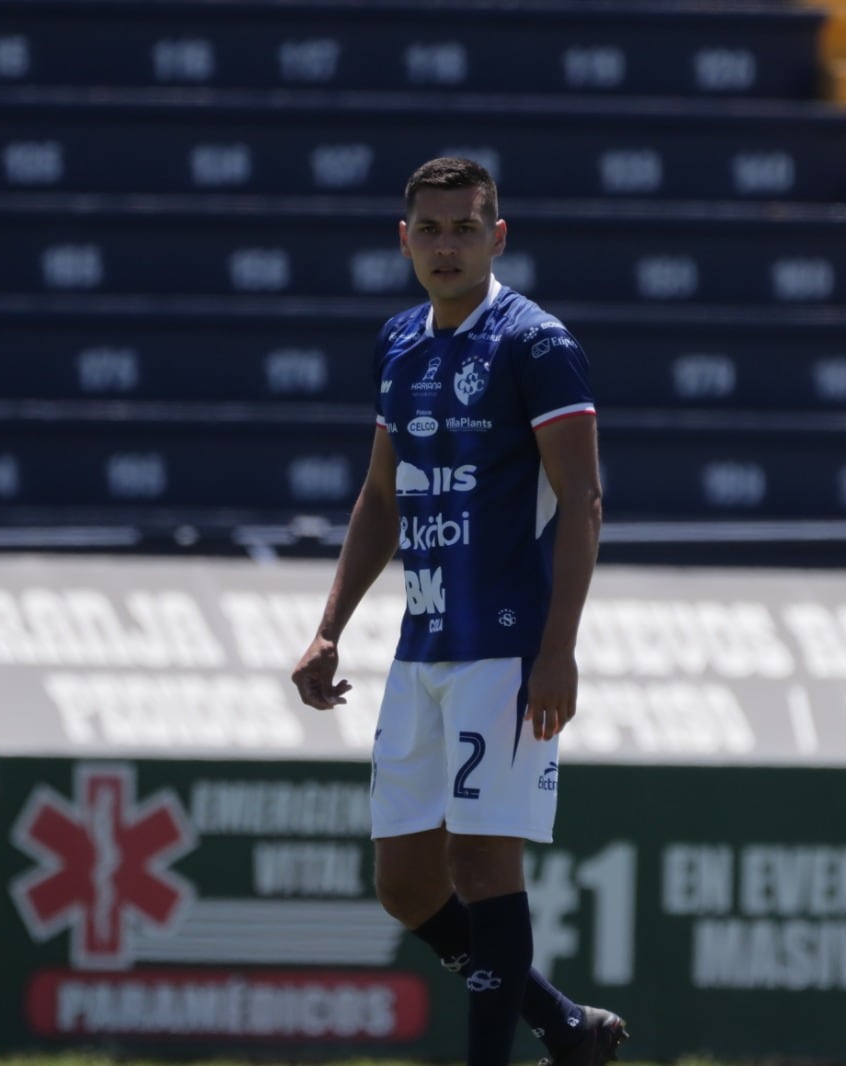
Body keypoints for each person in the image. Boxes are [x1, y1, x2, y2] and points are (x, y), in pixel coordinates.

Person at [291, 157, 625, 1066]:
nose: (446, 246)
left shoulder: (536, 345)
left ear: (497, 238)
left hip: (508, 651)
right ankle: (561, 1023)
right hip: (422, 644)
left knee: (482, 868)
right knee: (404, 884)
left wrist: (559, 651)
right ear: (404, 241)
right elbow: (380, 499)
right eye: (429, 230)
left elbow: (583, 501)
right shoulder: (398, 343)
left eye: (465, 228)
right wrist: (331, 626)